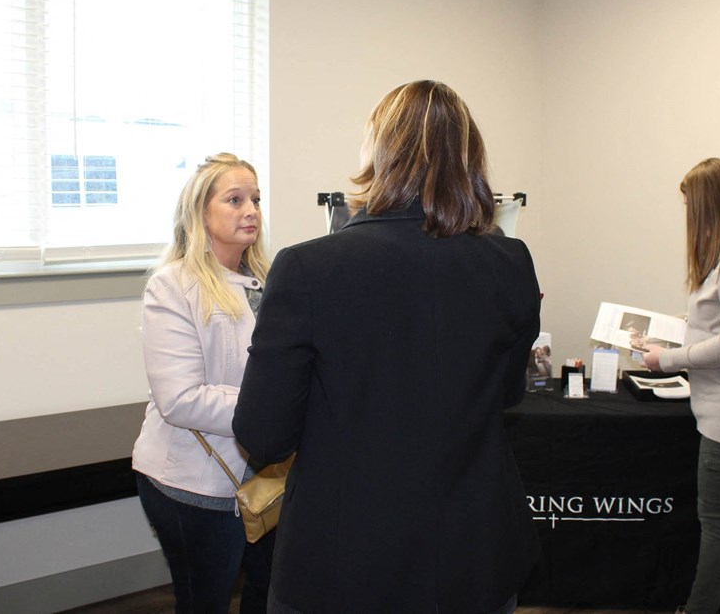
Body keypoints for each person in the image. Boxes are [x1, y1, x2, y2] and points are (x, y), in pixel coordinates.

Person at [233, 80, 541, 614]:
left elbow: (263, 434)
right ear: (469, 161)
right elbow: (508, 394)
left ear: (379, 152)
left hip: (345, 559)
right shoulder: (510, 261)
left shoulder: (309, 267)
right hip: (473, 552)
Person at [131, 153, 273, 614]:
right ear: (200, 214)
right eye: (234, 199)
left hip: (263, 477)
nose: (250, 209)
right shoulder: (173, 285)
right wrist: (274, 407)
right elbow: (180, 400)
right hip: (191, 481)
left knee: (268, 591)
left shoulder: (268, 282)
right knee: (205, 601)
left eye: (254, 198)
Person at [640, 158, 720, 614]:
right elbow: (714, 326)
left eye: (691, 204)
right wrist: (672, 335)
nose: (689, 214)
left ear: (710, 204)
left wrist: (666, 359)